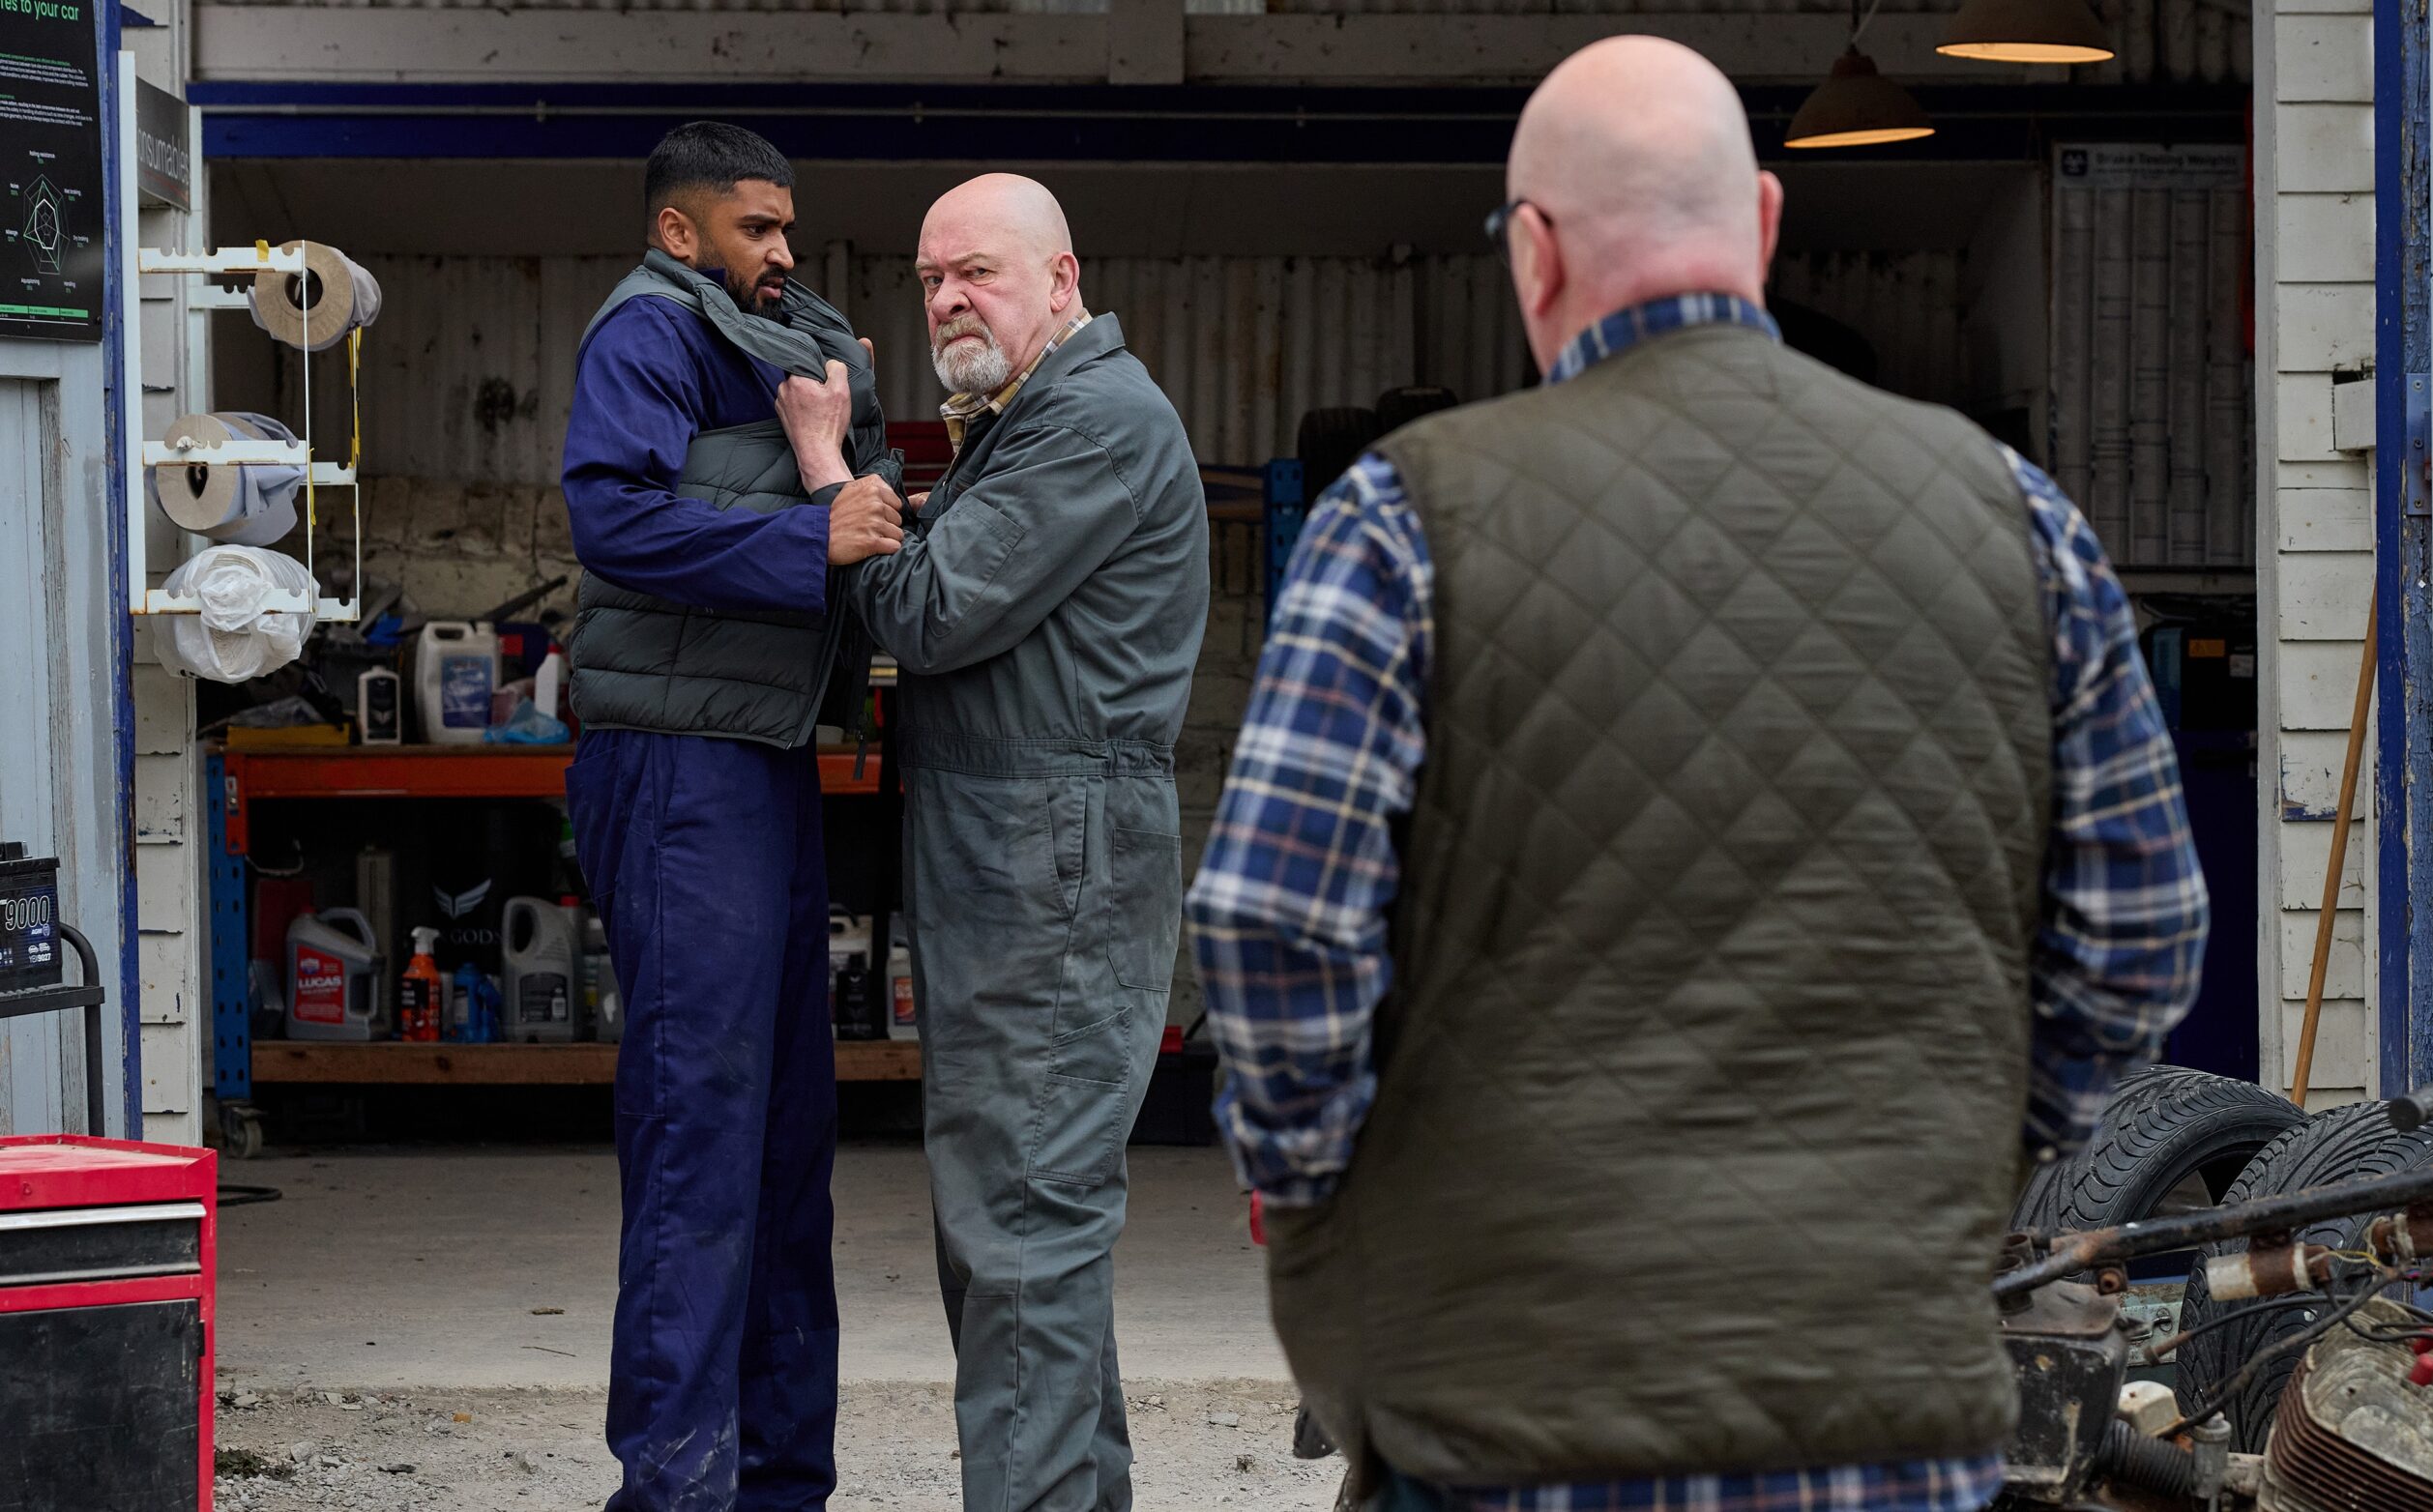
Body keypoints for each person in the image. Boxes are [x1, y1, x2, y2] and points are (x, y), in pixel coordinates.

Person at [1186, 36, 2211, 1512]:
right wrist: (1977, 1137)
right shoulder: (2017, 516)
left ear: (1532, 252)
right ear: (1768, 225)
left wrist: (1311, 1189)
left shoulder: (1405, 519)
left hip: (1504, 1409)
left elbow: (1274, 926)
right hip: (1887, 1410)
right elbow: (2141, 933)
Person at [809, 173, 1210, 1510]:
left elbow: (922, 613)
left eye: (977, 271)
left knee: (1021, 1226)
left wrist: (830, 470)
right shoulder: (1029, 419)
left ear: (1063, 278)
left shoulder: (1088, 419)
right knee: (1023, 1226)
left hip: (1057, 849)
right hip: (1026, 842)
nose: (948, 300)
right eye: (931, 279)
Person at [559, 120, 908, 1512]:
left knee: (783, 1140)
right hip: (673, 765)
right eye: (756, 227)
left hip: (759, 759)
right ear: (679, 230)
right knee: (701, 1130)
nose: (784, 249)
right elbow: (613, 519)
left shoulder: (774, 334)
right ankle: (671, 1491)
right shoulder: (645, 337)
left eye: (789, 226)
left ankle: (778, 1483)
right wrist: (801, 534)